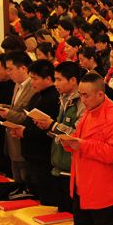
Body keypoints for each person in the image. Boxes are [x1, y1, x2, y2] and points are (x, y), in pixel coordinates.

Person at [63, 73, 113, 225]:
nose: (82, 100)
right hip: (83, 185)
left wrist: (81, 145)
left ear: (100, 94)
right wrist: (70, 144)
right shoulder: (89, 111)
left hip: (103, 189)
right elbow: (81, 143)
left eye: (85, 95)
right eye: (80, 95)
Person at [32, 61, 84, 213]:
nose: (56, 84)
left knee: (71, 216)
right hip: (58, 164)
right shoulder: (63, 98)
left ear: (73, 80)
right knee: (60, 212)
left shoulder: (81, 103)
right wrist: (48, 128)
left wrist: (53, 125)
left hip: (71, 167)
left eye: (59, 79)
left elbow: (77, 135)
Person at [13, 60, 60, 206]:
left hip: (43, 157)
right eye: (31, 78)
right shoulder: (37, 95)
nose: (31, 82)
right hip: (32, 155)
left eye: (35, 78)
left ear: (47, 79)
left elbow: (47, 130)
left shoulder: (52, 98)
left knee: (47, 201)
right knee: (36, 198)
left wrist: (25, 132)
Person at [0, 51, 36, 197]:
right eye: (6, 69)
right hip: (12, 140)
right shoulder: (17, 85)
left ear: (23, 68)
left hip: (24, 141)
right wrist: (5, 107)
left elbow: (27, 117)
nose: (8, 73)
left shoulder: (32, 87)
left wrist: (7, 113)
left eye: (11, 69)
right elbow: (15, 108)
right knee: (16, 182)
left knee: (26, 184)